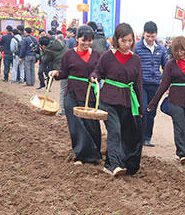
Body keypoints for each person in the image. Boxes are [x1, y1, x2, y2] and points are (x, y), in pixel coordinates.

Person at [91, 23, 143, 177]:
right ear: (116, 40)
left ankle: (112, 163)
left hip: (127, 100)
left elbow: (139, 83)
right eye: (123, 41)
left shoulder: (136, 60)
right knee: (114, 131)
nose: (127, 44)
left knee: (127, 133)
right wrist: (94, 77)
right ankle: (114, 165)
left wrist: (140, 106)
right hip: (108, 99)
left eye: (130, 41)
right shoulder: (107, 56)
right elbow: (97, 71)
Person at [49, 25, 102, 165]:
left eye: (90, 40)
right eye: (84, 40)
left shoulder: (96, 55)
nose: (86, 43)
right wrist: (56, 73)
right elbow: (64, 73)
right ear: (77, 38)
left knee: (91, 124)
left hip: (89, 94)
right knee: (76, 125)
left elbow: (99, 71)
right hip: (72, 93)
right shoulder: (69, 54)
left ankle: (95, 154)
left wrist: (95, 77)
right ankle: (81, 156)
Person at [146, 36, 185, 165]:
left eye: (182, 50)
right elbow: (164, 84)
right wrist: (153, 103)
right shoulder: (170, 65)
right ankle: (183, 154)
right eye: (177, 51)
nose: (180, 54)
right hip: (175, 99)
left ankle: (181, 150)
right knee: (179, 125)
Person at [134, 21, 169, 147]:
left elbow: (167, 67)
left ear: (156, 35)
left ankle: (147, 137)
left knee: (151, 111)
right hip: (141, 84)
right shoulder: (137, 48)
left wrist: (168, 84)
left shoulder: (161, 49)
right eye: (147, 36)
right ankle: (139, 136)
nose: (149, 39)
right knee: (142, 109)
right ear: (143, 34)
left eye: (152, 36)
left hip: (155, 84)